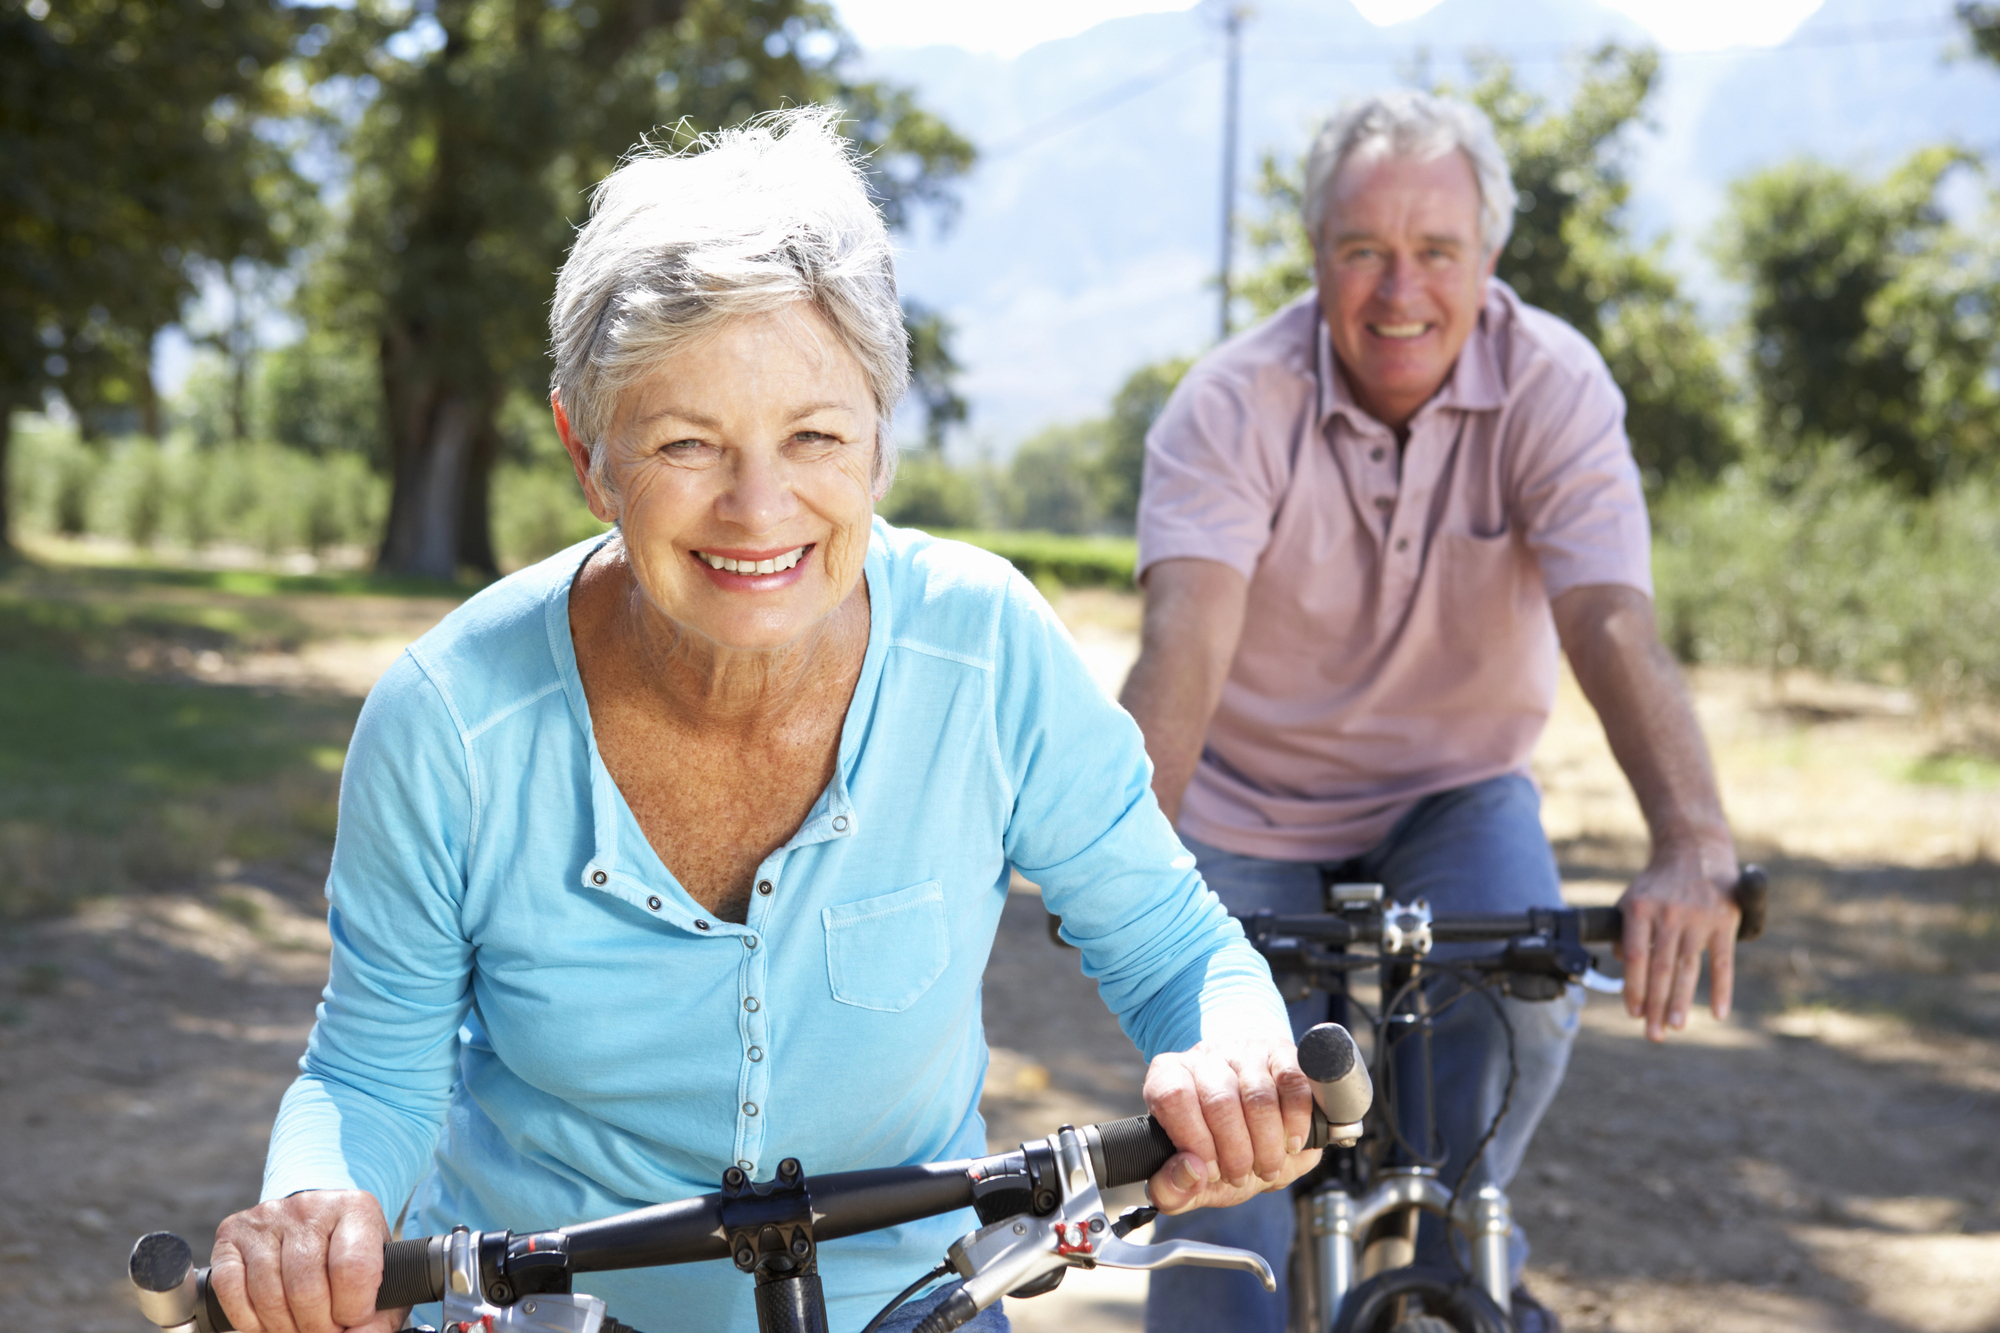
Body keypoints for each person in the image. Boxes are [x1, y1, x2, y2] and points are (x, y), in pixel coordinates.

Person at [205, 109, 1320, 1333]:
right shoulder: (449, 722)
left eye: (814, 436)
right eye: (688, 442)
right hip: (549, 1312)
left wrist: (1230, 1045)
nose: (758, 507)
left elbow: (1174, 948)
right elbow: (371, 1065)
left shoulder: (987, 648)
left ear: (880, 444)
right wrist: (318, 1206)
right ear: (591, 455)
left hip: (911, 1304)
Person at [1122, 91, 1742, 1333]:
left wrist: (1688, 843)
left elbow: (1607, 619)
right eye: (1362, 250)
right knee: (1229, 1155)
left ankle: (1450, 1241)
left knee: (1522, 995)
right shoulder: (1230, 403)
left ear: (1487, 260)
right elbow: (1179, 650)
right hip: (1248, 802)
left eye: (1434, 252)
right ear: (1315, 260)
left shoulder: (1553, 385)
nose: (1397, 289)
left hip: (1452, 792)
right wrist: (1125, 877)